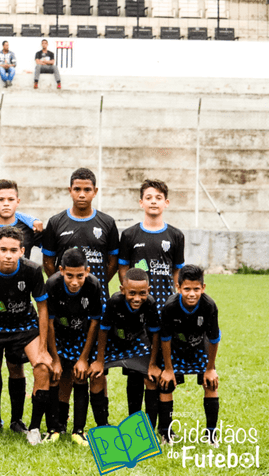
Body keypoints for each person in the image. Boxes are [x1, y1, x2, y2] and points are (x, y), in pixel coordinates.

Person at [0, 227, 55, 445]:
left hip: (23, 326)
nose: (8, 254)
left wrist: (43, 349)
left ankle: (30, 427)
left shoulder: (33, 270)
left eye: (13, 250)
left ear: (22, 251)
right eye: (3, 249)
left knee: (42, 367)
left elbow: (42, 308)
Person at [0, 179, 44, 435]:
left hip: (20, 318)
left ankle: (18, 420)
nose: (5, 203)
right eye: (0, 199)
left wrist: (29, 217)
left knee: (16, 366)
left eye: (10, 199)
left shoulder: (29, 227)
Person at [91, 268, 161, 433]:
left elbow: (156, 334)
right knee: (96, 376)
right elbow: (103, 330)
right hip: (113, 343)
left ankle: (149, 430)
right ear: (123, 290)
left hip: (136, 342)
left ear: (148, 291)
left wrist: (152, 364)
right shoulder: (114, 302)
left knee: (151, 379)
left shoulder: (150, 303)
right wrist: (99, 361)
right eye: (132, 293)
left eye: (142, 293)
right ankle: (102, 426)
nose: (137, 298)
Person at [45, 247, 103, 446]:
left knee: (80, 376)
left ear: (87, 271)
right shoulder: (52, 285)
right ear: (61, 270)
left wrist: (83, 358)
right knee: (56, 376)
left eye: (80, 275)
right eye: (69, 275)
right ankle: (55, 427)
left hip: (82, 337)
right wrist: (55, 359)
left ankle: (78, 430)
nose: (75, 281)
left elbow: (95, 322)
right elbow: (49, 323)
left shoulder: (94, 285)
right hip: (59, 337)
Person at [158, 265, 221, 446]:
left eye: (196, 289)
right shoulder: (170, 307)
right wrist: (168, 369)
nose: (191, 294)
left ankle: (211, 435)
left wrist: (210, 369)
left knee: (210, 383)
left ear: (203, 287)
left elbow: (214, 339)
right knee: (166, 384)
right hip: (175, 349)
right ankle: (166, 433)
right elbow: (165, 339)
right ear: (178, 288)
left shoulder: (209, 306)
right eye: (187, 289)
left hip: (199, 348)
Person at [41, 167, 119, 303]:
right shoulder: (55, 222)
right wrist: (62, 282)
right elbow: (48, 261)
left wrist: (99, 281)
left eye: (87, 190)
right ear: (70, 191)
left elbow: (113, 261)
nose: (82, 194)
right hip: (65, 296)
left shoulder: (107, 222)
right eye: (77, 189)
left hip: (98, 296)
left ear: (95, 192)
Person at [118, 179, 185, 309]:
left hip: (166, 302)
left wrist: (177, 296)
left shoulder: (176, 235)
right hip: (137, 301)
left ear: (166, 203)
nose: (153, 201)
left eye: (158, 198)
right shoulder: (129, 234)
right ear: (141, 203)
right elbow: (123, 267)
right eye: (148, 198)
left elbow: (177, 269)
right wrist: (130, 291)